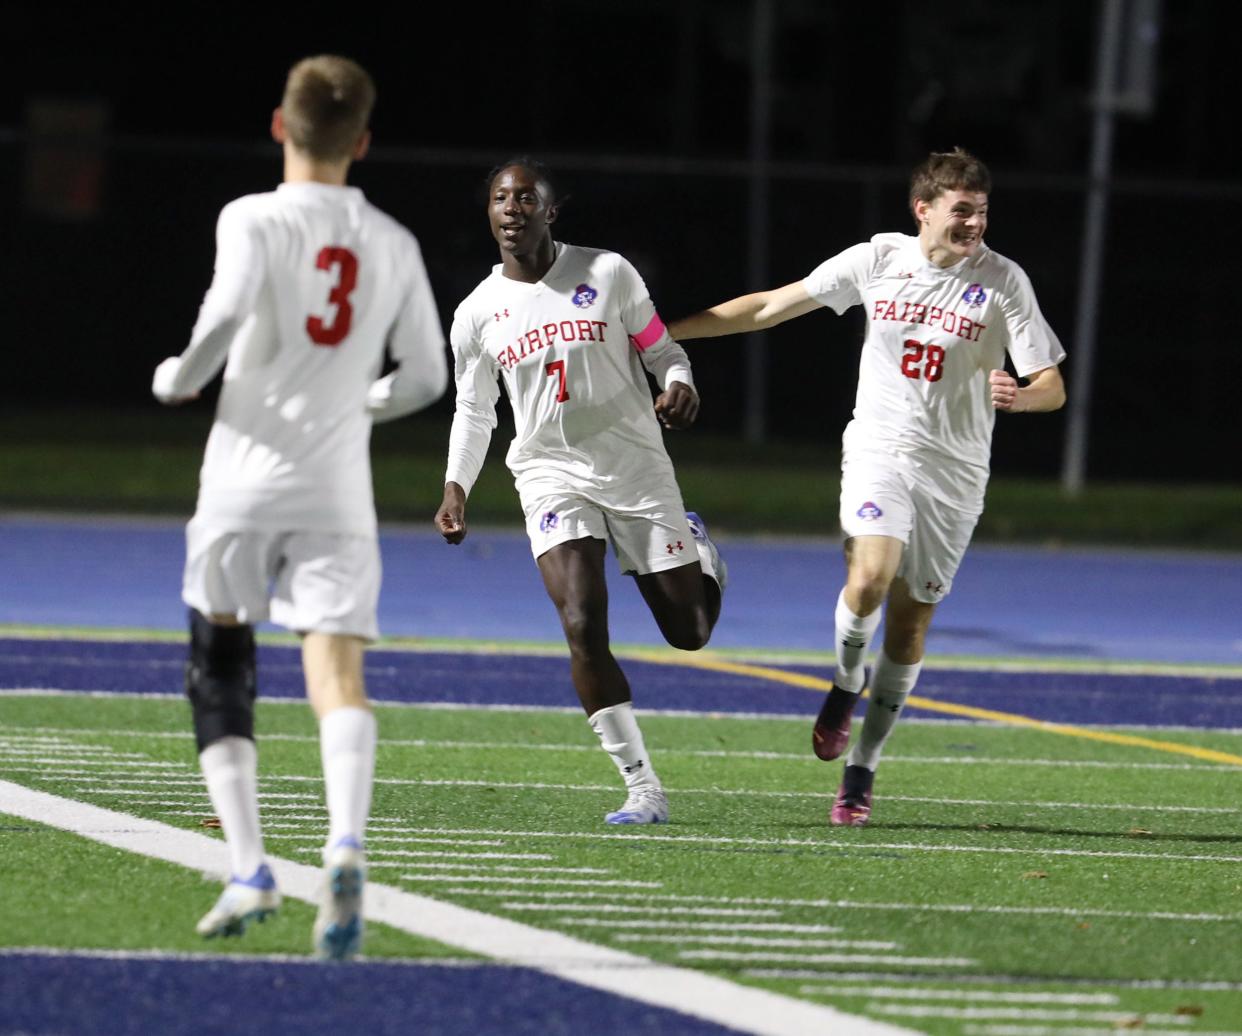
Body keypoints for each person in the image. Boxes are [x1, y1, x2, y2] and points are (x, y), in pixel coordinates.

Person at [669, 147, 1065, 827]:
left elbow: (1051, 386)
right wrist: (660, 336)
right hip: (882, 449)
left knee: (909, 628)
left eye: (983, 211)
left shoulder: (1004, 281)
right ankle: (843, 687)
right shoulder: (878, 260)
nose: (975, 223)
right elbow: (768, 306)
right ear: (924, 209)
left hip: (958, 473)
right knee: (870, 576)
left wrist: (1023, 398)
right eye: (962, 210)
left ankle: (862, 771)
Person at [151, 54, 447, 957]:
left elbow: (225, 311)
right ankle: (346, 843)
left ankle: (249, 868)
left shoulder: (251, 216)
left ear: (280, 126)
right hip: (335, 492)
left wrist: (178, 380)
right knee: (337, 681)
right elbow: (429, 376)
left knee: (220, 666)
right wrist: (359, 402)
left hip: (242, 482)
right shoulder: (393, 241)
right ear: (362, 141)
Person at [434, 157, 726, 826]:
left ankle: (700, 551)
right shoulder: (478, 312)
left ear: (550, 210)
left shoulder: (608, 273)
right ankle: (643, 787)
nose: (512, 208)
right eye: (501, 199)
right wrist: (457, 487)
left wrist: (681, 385)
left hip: (634, 466)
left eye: (526, 198)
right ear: (491, 213)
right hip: (548, 472)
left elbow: (664, 351)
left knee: (691, 631)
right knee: (580, 621)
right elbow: (475, 411)